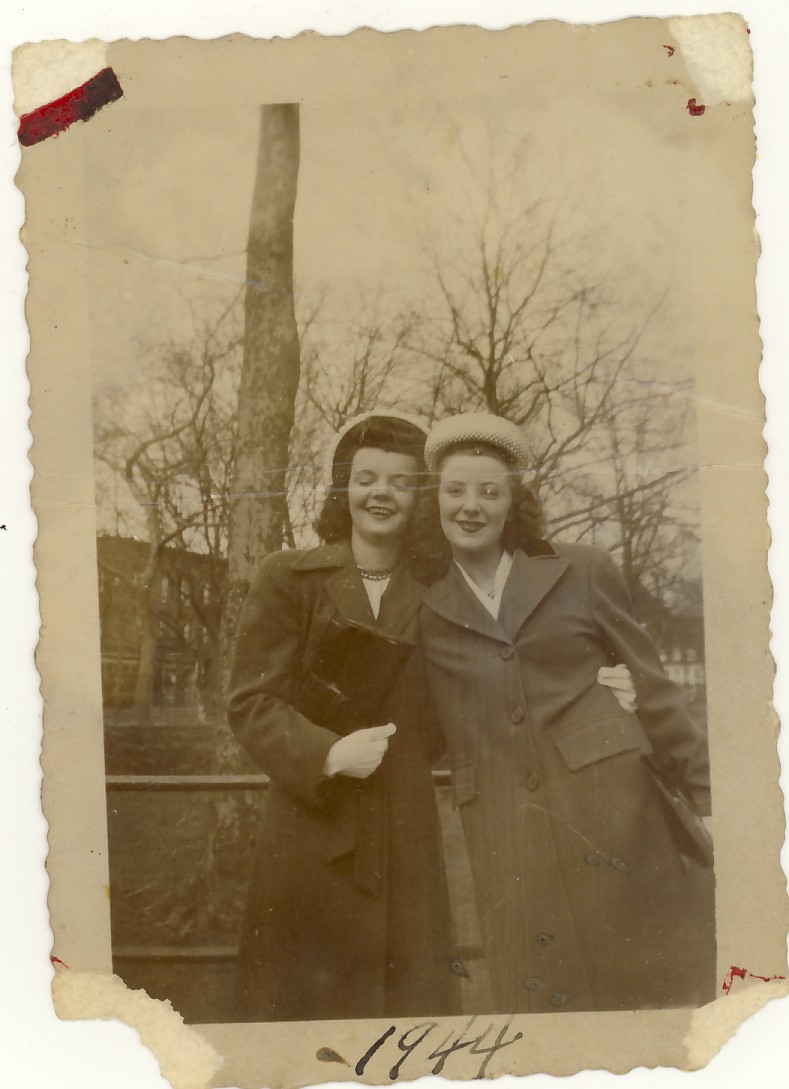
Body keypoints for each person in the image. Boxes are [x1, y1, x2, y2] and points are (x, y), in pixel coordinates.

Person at [417, 412, 716, 1014]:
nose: (470, 506)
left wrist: (713, 797)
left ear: (512, 504)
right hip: (504, 829)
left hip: (614, 810)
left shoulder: (581, 569)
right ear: (436, 501)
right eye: (455, 490)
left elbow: (654, 687)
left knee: (654, 991)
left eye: (489, 490)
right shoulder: (418, 601)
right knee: (540, 1007)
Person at [226, 411, 459, 1022]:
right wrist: (327, 753)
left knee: (405, 1020)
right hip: (309, 828)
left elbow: (466, 705)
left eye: (401, 482)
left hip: (405, 832)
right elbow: (251, 701)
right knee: (300, 1015)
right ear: (343, 488)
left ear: (419, 497)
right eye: (366, 478)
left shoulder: (443, 592)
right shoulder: (289, 578)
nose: (381, 492)